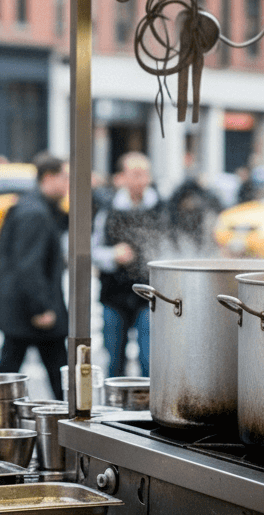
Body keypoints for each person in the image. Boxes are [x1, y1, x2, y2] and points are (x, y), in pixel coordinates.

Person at [0, 153, 70, 400]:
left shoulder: (32, 207)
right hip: (32, 311)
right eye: (65, 177)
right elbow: (28, 265)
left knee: (10, 370)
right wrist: (41, 307)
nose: (68, 184)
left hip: (21, 309)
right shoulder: (35, 212)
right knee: (55, 374)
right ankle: (71, 424)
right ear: (48, 177)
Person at [91, 152, 168, 378]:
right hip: (114, 295)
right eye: (135, 174)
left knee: (149, 361)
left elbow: (173, 247)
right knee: (114, 363)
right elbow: (91, 250)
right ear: (121, 177)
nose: (141, 180)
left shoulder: (162, 209)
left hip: (151, 296)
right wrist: (113, 255)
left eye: (145, 174)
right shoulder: (107, 209)